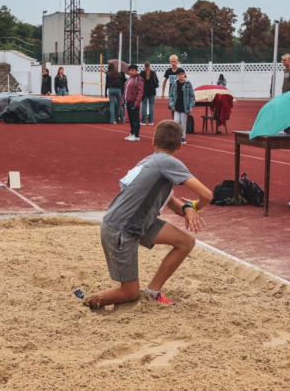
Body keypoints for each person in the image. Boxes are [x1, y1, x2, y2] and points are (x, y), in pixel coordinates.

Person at [84, 120, 213, 309]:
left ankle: (153, 291)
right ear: (179, 146)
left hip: (134, 223)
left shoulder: (148, 162)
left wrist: (187, 209)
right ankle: (89, 302)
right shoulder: (168, 162)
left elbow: (173, 203)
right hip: (122, 229)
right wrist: (197, 207)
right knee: (130, 292)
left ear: (153, 142)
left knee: (186, 242)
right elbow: (207, 195)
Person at [168, 69, 195, 144]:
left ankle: (183, 137)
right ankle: (176, 136)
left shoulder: (188, 84)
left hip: (185, 107)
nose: (181, 76)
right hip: (176, 107)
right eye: (179, 74)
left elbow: (192, 96)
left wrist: (191, 106)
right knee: (176, 122)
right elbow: (171, 96)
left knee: (183, 123)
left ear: (184, 75)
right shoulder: (174, 84)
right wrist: (172, 105)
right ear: (177, 75)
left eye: (182, 74)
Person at [123, 64, 144, 141]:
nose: (131, 72)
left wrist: (137, 101)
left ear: (136, 71)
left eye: (133, 70)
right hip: (128, 101)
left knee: (135, 118)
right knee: (131, 119)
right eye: (130, 70)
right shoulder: (129, 79)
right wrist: (123, 99)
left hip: (134, 102)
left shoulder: (139, 79)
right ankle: (132, 133)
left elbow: (140, 91)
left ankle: (136, 135)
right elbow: (125, 90)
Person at [140, 61, 159, 126]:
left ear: (144, 66)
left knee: (144, 106)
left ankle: (143, 121)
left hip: (144, 91)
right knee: (151, 106)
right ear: (149, 65)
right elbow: (157, 81)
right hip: (152, 91)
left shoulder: (142, 73)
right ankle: (151, 122)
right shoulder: (153, 73)